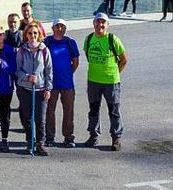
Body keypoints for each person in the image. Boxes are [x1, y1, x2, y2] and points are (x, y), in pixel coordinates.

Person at [83, 13, 127, 151]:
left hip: (111, 82)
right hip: (93, 81)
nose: (100, 25)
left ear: (107, 25)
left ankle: (116, 137)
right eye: (97, 22)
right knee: (93, 110)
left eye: (103, 23)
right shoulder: (89, 38)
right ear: (93, 24)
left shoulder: (113, 39)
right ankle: (93, 135)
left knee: (113, 111)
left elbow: (124, 59)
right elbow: (88, 56)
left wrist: (114, 73)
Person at [16, 22, 53, 156]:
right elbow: (17, 70)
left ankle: (40, 143)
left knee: (40, 118)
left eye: (35, 33)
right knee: (27, 117)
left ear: (39, 35)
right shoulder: (21, 50)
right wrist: (27, 77)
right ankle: (30, 141)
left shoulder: (44, 50)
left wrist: (48, 88)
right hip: (25, 88)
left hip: (40, 88)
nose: (32, 36)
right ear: (26, 35)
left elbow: (49, 70)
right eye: (30, 33)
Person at [43, 19, 79, 148]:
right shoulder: (47, 42)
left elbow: (75, 62)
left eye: (62, 26)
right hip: (51, 84)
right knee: (49, 111)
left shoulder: (70, 43)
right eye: (57, 26)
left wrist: (68, 73)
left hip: (67, 84)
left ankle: (68, 137)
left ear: (65, 29)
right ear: (52, 28)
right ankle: (49, 137)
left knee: (68, 111)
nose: (59, 28)